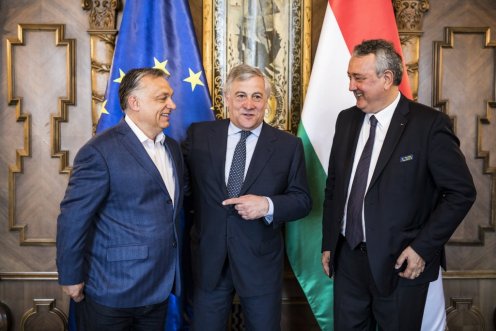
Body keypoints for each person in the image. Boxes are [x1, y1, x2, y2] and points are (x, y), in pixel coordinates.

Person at [321, 39, 476, 330]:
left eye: (359, 78)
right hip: (349, 261)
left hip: (401, 263)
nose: (351, 86)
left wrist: (422, 248)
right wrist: (330, 242)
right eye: (350, 77)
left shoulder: (428, 125)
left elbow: (460, 193)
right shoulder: (346, 120)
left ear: (387, 78)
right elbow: (335, 188)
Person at [183, 64, 311, 331]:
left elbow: (302, 200)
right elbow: (182, 189)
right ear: (227, 99)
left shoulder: (288, 146)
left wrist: (267, 205)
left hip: (260, 264)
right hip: (209, 262)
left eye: (257, 96)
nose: (249, 104)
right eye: (241, 95)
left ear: (266, 101)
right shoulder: (199, 135)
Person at [56, 68, 184, 331]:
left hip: (159, 288)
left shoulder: (172, 148)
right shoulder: (99, 151)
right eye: (162, 98)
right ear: (134, 103)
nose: (172, 104)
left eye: (170, 97)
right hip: (111, 290)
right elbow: (73, 218)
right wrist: (71, 276)